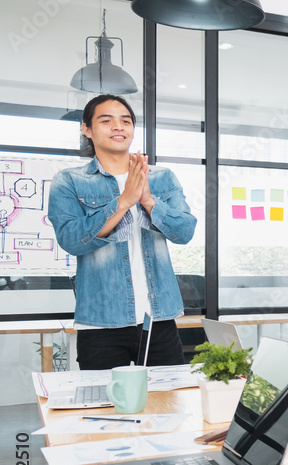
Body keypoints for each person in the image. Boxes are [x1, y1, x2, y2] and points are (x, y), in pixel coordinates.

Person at [48, 94, 196, 370]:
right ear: (87, 129)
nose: (118, 127)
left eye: (125, 121)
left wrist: (149, 201)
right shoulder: (68, 181)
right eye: (106, 120)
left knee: (169, 406)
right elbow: (71, 240)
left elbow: (185, 231)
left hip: (159, 318)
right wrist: (123, 202)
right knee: (103, 408)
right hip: (100, 321)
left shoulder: (161, 177)